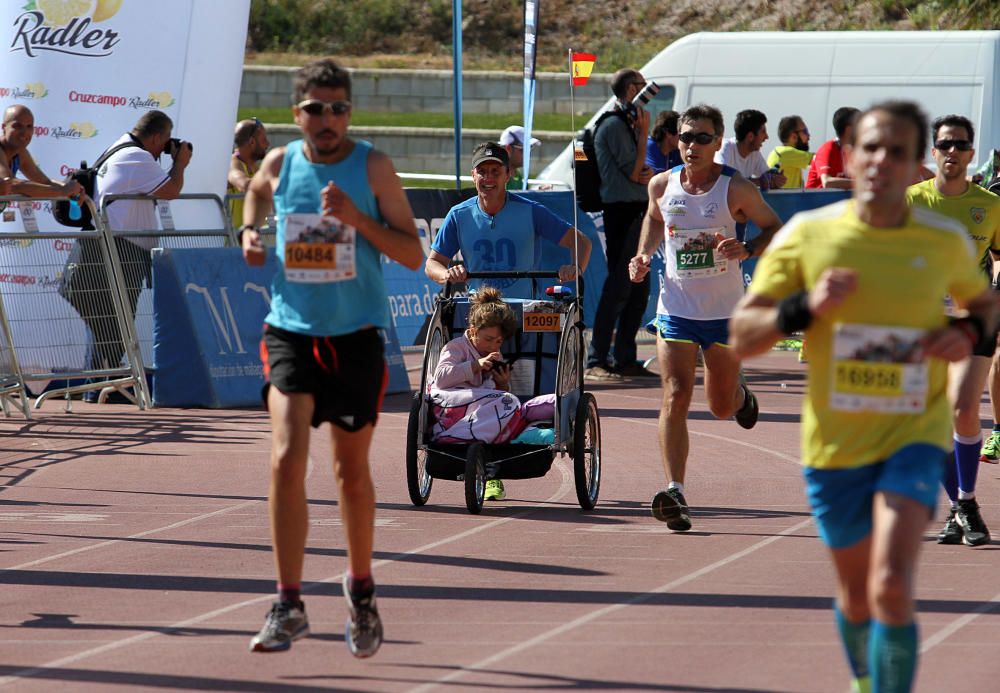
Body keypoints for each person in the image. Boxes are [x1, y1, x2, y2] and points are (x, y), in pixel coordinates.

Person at [729, 100, 997, 693]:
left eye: (897, 151)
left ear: (915, 167)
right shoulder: (809, 235)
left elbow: (985, 305)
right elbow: (743, 335)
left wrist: (967, 334)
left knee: (892, 585)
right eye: (870, 147)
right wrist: (805, 307)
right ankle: (864, 681)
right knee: (855, 596)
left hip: (913, 435)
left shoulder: (944, 240)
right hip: (835, 445)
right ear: (850, 156)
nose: (881, 161)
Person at [239, 59, 424, 657]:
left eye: (338, 107)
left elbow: (414, 255)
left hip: (355, 336)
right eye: (316, 108)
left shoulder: (372, 166)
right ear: (297, 114)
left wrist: (355, 218)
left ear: (350, 111)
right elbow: (255, 196)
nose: (327, 119)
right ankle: (288, 601)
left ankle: (361, 588)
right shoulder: (279, 162)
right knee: (287, 457)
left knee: (350, 473)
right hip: (290, 330)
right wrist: (248, 232)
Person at [629, 103, 783, 531]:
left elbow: (776, 228)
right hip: (676, 307)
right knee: (676, 393)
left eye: (701, 138)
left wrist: (747, 249)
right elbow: (653, 220)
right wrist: (642, 255)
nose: (691, 145)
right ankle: (675, 489)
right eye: (685, 137)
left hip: (725, 314)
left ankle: (740, 398)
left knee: (718, 406)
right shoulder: (660, 185)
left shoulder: (735, 189)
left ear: (718, 144)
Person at [906, 114, 1000, 547]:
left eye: (960, 146)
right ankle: (962, 507)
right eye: (945, 145)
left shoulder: (991, 204)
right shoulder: (911, 201)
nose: (952, 153)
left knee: (964, 407)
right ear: (933, 150)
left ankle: (963, 503)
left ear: (971, 153)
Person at [60, 110, 191, 395]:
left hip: (106, 248)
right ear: (156, 137)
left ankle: (98, 389)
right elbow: (171, 190)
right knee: (113, 324)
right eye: (166, 139)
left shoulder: (120, 147)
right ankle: (98, 390)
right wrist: (179, 163)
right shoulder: (138, 157)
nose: (168, 145)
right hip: (117, 250)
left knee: (109, 325)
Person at [429, 286, 556, 500]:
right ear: (472, 331)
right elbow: (442, 378)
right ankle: (466, 435)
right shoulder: (456, 347)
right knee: (508, 402)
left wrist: (501, 384)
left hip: (475, 410)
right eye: (487, 339)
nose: (492, 346)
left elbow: (489, 397)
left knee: (509, 400)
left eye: (497, 341)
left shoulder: (493, 358)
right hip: (448, 404)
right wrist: (476, 365)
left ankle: (511, 433)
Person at [424, 142, 591, 299]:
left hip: (525, 309)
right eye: (482, 171)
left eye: (495, 171)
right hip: (478, 310)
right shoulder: (458, 215)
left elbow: (581, 241)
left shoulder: (531, 211)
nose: (488, 178)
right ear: (473, 175)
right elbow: (433, 263)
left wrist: (575, 267)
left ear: (508, 175)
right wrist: (447, 274)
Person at [584, 68, 655, 381]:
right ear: (630, 88)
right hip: (621, 211)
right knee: (619, 286)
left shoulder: (626, 121)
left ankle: (625, 356)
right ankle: (597, 357)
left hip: (638, 207)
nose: (646, 91)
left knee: (639, 287)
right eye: (641, 86)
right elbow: (632, 171)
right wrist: (643, 136)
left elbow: (641, 172)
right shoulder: (613, 124)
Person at [0, 105, 83, 200]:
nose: (24, 132)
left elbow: (45, 182)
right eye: (18, 126)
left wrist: (74, 188)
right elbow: (11, 185)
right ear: (4, 127)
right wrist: (62, 191)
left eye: (29, 126)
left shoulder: (20, 152)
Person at [715, 109, 787, 190]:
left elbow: (766, 177)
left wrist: (775, 179)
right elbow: (721, 179)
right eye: (763, 132)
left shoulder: (755, 154)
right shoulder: (725, 147)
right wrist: (760, 182)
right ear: (750, 137)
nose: (767, 137)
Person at [227, 117, 269, 227]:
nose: (267, 144)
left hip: (249, 238)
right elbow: (244, 184)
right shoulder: (232, 162)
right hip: (233, 241)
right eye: (264, 140)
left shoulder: (255, 168)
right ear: (251, 142)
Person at [805, 106, 859, 189]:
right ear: (849, 129)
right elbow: (827, 182)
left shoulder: (855, 151)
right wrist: (863, 183)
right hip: (819, 201)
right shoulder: (828, 148)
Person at [766, 115, 813, 189]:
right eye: (805, 131)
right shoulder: (785, 153)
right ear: (793, 137)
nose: (809, 135)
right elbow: (820, 158)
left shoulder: (783, 153)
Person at [499, 125, 539, 191]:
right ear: (508, 148)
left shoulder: (517, 175)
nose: (527, 155)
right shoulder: (500, 177)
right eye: (523, 150)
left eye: (529, 149)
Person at [646, 110, 681, 174]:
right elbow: (654, 175)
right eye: (680, 135)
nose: (684, 139)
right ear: (668, 133)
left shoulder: (676, 151)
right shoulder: (649, 146)